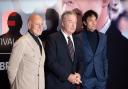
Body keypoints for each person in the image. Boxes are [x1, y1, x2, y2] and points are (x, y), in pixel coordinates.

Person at [45, 11, 84, 89]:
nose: (73, 25)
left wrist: (79, 74)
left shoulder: (78, 40)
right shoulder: (52, 38)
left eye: (75, 22)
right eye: (70, 22)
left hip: (72, 85)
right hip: (56, 84)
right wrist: (68, 76)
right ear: (62, 23)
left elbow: (81, 61)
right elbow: (51, 62)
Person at [7, 13, 45, 89]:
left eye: (42, 24)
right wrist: (15, 86)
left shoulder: (40, 41)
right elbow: (11, 68)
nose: (40, 27)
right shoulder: (22, 42)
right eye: (37, 24)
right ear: (29, 25)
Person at [79, 10, 108, 89]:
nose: (94, 23)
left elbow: (104, 57)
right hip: (86, 78)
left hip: (101, 78)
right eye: (91, 20)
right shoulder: (79, 37)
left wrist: (105, 74)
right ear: (85, 23)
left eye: (95, 20)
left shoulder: (103, 37)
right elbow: (77, 58)